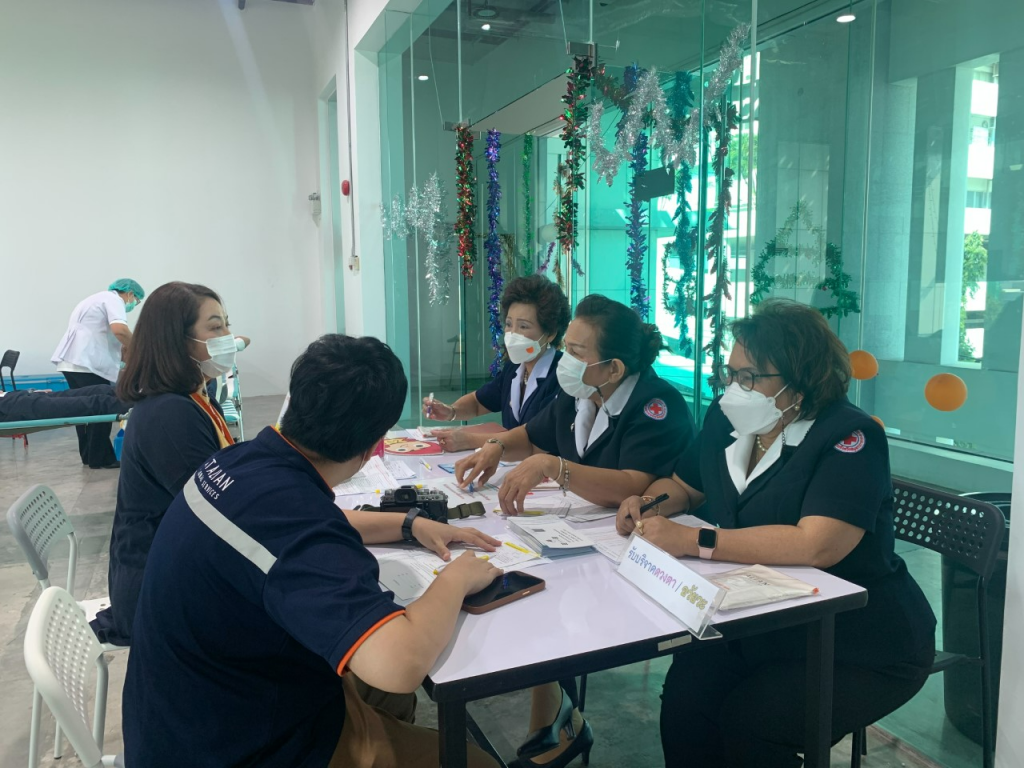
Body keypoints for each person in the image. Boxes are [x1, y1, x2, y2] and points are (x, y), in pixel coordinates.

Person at [122, 334, 502, 768]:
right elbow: (400, 664)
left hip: (184, 713)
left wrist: (408, 523)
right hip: (238, 744)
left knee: (381, 696)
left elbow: (302, 526)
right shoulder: (298, 520)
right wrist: (455, 579)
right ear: (373, 446)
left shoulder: (240, 461)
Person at [615, 299, 936, 768]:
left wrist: (693, 541)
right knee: (687, 695)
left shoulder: (850, 436)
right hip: (762, 620)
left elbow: (817, 544)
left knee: (753, 722)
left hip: (857, 639)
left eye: (749, 377)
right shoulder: (729, 419)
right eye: (730, 374)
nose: (734, 388)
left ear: (800, 380)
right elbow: (684, 486)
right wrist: (649, 502)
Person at [456, 293, 696, 768]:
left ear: (613, 368)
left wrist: (556, 468)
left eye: (578, 352)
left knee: (543, 604)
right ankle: (554, 717)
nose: (565, 359)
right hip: (579, 538)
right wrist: (498, 445)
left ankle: (557, 724)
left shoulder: (656, 405)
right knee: (514, 582)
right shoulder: (581, 392)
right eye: (566, 347)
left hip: (635, 552)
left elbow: (634, 483)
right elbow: (534, 434)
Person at [91, 281, 246, 646]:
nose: (228, 336)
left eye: (226, 324)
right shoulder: (170, 414)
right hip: (157, 591)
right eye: (215, 327)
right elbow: (223, 513)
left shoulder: (192, 397)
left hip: (176, 566)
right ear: (177, 340)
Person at [423, 274, 570, 452]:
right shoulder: (514, 368)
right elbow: (478, 403)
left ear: (550, 333)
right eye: (509, 324)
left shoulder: (562, 375)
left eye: (523, 326)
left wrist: (469, 440)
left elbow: (534, 439)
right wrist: (451, 411)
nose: (512, 334)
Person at [51, 278, 144, 468]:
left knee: (82, 410)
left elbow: (107, 335)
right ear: (129, 294)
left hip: (72, 362)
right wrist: (141, 349)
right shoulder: (114, 300)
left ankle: (88, 456)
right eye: (136, 300)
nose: (133, 304)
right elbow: (120, 330)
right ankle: (102, 459)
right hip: (87, 363)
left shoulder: (95, 299)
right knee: (101, 407)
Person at [0, 383, 128, 422]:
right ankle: (139, 406)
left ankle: (136, 392)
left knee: (102, 389)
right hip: (11, 407)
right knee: (97, 403)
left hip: (13, 397)